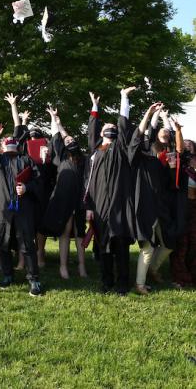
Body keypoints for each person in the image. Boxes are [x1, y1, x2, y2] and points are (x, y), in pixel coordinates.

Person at [0, 94, 42, 297]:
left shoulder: (26, 160)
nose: (9, 145)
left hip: (22, 208)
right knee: (2, 241)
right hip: (0, 207)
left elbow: (38, 181)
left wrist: (28, 188)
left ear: (17, 146)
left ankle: (34, 279)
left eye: (11, 143)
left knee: (26, 243)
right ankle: (7, 274)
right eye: (6, 143)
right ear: (2, 146)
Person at [85, 88, 135, 295]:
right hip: (98, 206)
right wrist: (95, 106)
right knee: (103, 245)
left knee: (121, 246)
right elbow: (87, 183)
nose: (110, 127)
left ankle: (123, 283)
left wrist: (124, 98)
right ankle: (107, 282)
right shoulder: (96, 152)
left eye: (111, 126)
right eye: (106, 126)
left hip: (118, 205)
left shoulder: (120, 149)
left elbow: (123, 126)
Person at [43, 106, 87, 279]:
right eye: (66, 140)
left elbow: (65, 136)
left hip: (80, 199)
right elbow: (57, 136)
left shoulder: (83, 159)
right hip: (63, 198)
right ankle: (63, 267)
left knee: (79, 232)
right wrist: (54, 119)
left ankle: (82, 267)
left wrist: (60, 124)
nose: (68, 141)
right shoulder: (60, 157)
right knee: (65, 230)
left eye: (71, 140)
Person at [171, 135, 195, 287]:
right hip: (181, 208)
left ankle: (192, 274)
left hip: (194, 209)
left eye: (192, 150)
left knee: (194, 243)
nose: (190, 153)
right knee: (181, 244)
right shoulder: (179, 168)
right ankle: (180, 277)